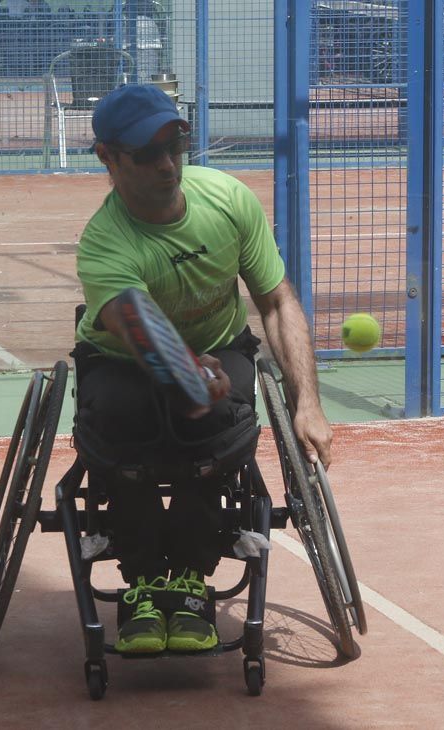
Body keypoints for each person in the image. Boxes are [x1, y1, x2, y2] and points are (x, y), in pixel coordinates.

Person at [72, 83, 332, 655]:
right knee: (122, 417)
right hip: (121, 361)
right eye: (147, 153)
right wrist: (185, 367)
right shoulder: (105, 243)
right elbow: (134, 322)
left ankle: (190, 576)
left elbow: (278, 302)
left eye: (177, 144)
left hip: (222, 346)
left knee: (217, 417)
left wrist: (306, 401)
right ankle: (143, 580)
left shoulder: (228, 201)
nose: (168, 164)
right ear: (108, 158)